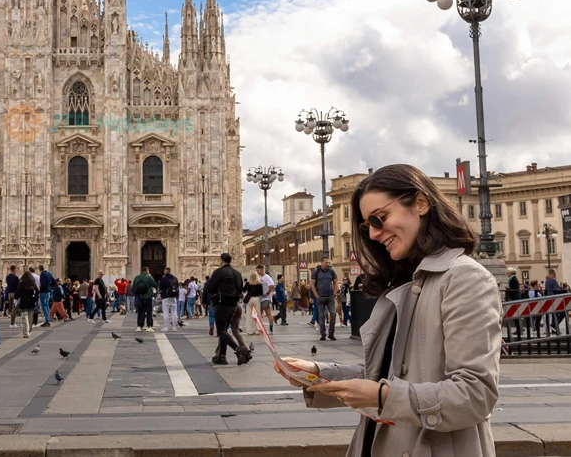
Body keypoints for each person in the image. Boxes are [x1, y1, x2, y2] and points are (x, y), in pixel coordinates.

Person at [274, 164, 501, 457]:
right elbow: (388, 374)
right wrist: (319, 374)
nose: (373, 234)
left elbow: (475, 394)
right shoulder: (404, 281)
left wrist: (384, 396)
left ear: (420, 203)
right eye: (367, 226)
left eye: (379, 219)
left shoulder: (464, 278)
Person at [204, 253, 249, 366]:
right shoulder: (237, 273)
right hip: (234, 304)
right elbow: (240, 289)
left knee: (221, 331)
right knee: (223, 330)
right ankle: (222, 357)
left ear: (221, 260)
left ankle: (239, 349)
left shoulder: (219, 272)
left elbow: (210, 287)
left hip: (222, 304)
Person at [311, 257, 339, 341]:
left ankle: (331, 333)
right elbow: (312, 284)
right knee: (321, 316)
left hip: (330, 296)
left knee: (333, 314)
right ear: (321, 263)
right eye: (326, 262)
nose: (328, 264)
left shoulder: (331, 271)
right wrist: (316, 295)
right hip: (320, 297)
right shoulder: (316, 271)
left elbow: (335, 282)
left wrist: (334, 292)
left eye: (328, 262)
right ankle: (323, 334)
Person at [132, 266, 158, 332]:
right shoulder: (149, 277)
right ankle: (149, 326)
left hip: (140, 297)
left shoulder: (136, 277)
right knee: (149, 312)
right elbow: (155, 284)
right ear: (147, 271)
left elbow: (134, 286)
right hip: (148, 297)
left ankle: (139, 326)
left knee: (140, 312)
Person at [17, 267, 39, 338]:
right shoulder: (33, 284)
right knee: (30, 317)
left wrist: (16, 298)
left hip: (23, 302)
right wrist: (35, 298)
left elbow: (17, 292)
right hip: (31, 302)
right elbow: (37, 292)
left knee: (24, 317)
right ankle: (29, 330)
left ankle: (26, 332)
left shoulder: (21, 283)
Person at [159, 267, 179, 332]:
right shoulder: (175, 278)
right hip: (174, 297)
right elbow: (177, 288)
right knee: (174, 312)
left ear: (165, 271)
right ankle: (174, 327)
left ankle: (166, 327)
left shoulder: (164, 278)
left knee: (166, 312)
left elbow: (161, 287)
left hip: (165, 297)